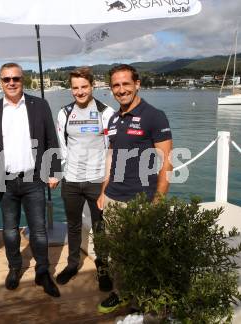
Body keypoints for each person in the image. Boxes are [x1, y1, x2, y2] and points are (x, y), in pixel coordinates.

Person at [0, 62, 61, 297]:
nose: (12, 83)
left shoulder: (40, 105)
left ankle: (43, 271)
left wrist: (54, 170)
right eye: (6, 79)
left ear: (23, 80)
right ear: (0, 82)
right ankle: (14, 267)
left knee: (39, 230)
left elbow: (51, 140)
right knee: (10, 230)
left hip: (34, 178)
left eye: (16, 78)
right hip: (4, 180)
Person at [96, 64, 173, 314]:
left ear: (137, 84)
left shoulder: (154, 116)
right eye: (116, 85)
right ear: (111, 89)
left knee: (143, 257)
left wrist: (158, 202)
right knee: (118, 255)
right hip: (114, 198)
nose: (121, 90)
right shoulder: (114, 118)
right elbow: (112, 158)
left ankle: (143, 306)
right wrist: (103, 191)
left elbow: (167, 163)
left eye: (126, 84)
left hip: (141, 200)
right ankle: (122, 293)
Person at [55, 67, 115, 291]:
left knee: (100, 227)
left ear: (92, 86)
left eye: (84, 87)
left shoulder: (105, 112)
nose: (79, 92)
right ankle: (72, 265)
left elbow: (111, 150)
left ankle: (103, 270)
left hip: (96, 180)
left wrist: (106, 183)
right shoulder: (64, 113)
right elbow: (62, 147)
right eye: (75, 88)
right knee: (73, 225)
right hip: (71, 181)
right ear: (71, 89)